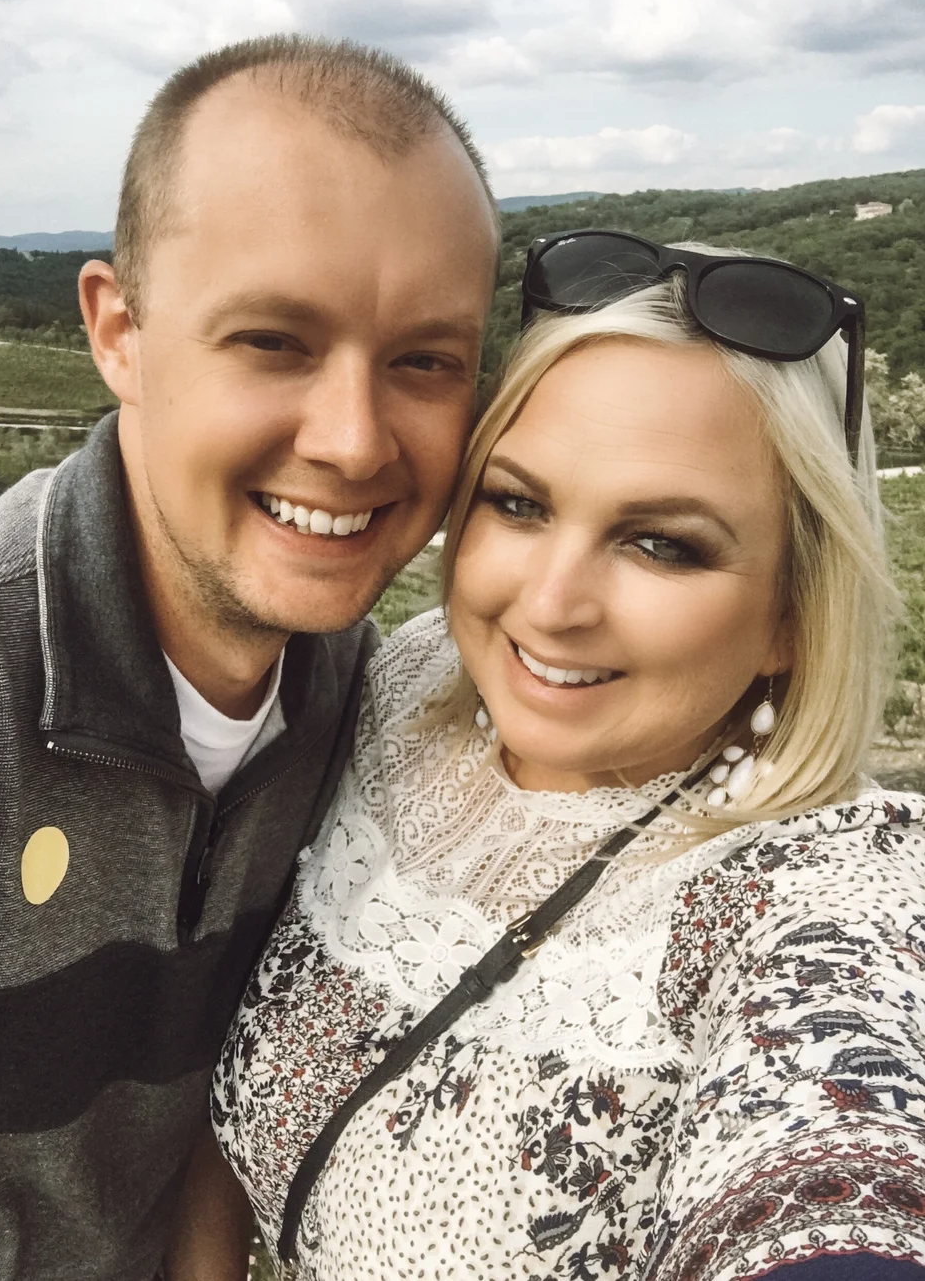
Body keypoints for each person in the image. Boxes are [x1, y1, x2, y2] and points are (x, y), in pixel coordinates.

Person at [201, 234, 925, 1280]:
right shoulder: (404, 688)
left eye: (661, 543)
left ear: (793, 616)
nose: (547, 606)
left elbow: (829, 1157)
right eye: (519, 503)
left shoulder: (823, 888)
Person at [0, 36, 498, 1280]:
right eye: (274, 341)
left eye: (422, 361)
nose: (353, 442)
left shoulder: (364, 702)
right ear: (119, 332)